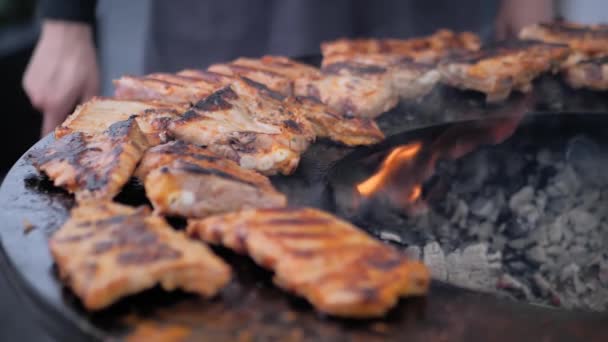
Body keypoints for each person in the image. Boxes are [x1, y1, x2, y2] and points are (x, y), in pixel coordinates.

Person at [23, 0, 553, 136]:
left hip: (415, 17)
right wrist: (65, 18)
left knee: (426, 147)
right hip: (235, 21)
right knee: (202, 136)